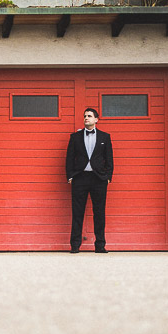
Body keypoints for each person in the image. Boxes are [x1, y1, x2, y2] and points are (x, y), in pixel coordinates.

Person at [65, 107, 113, 253]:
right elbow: (69, 159)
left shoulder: (105, 137)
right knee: (77, 212)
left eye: (90, 116)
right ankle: (75, 245)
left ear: (96, 120)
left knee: (99, 213)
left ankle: (100, 245)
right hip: (80, 178)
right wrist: (70, 176)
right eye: (85, 116)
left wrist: (108, 177)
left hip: (98, 179)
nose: (86, 118)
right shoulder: (75, 137)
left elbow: (109, 159)